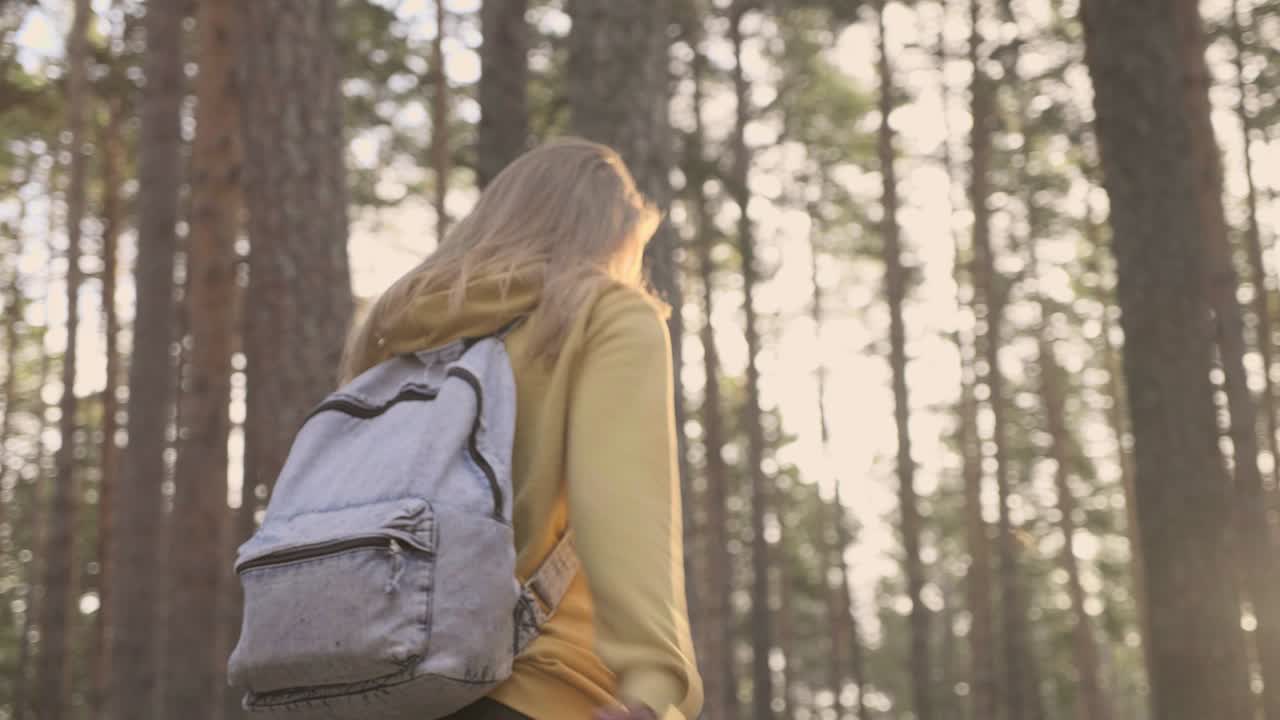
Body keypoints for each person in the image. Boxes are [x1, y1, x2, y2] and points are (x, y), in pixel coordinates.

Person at [338, 138, 704, 720]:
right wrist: (656, 685)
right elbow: (621, 507)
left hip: (367, 686)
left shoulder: (398, 332)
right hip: (537, 686)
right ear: (614, 232)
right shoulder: (603, 314)